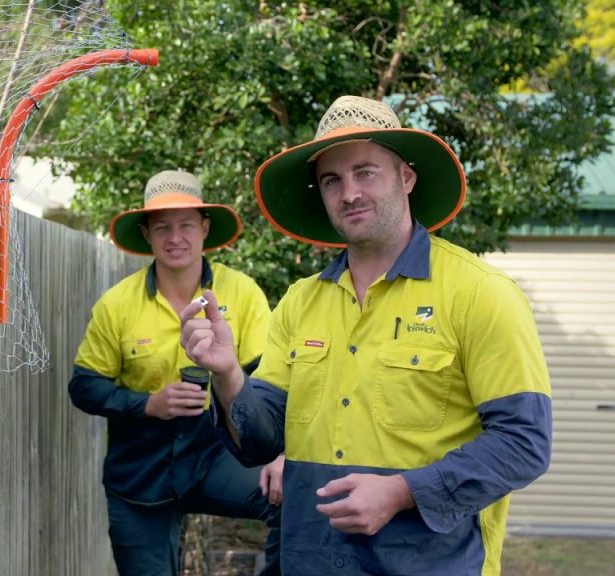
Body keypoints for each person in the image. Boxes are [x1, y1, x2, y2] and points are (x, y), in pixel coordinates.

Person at [179, 96, 552, 575]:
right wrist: (229, 375)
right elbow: (260, 442)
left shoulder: (481, 294)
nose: (349, 192)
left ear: (406, 177)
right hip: (311, 561)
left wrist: (401, 492)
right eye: (332, 180)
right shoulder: (299, 302)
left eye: (365, 172)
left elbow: (524, 443)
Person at [69, 169, 283, 575]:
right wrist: (148, 403)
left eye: (186, 224)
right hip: (139, 470)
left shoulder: (243, 292)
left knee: (294, 500)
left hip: (218, 454)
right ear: (147, 234)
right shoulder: (117, 303)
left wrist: (283, 452)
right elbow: (83, 387)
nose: (175, 237)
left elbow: (272, 380)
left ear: (205, 228)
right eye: (162, 226)